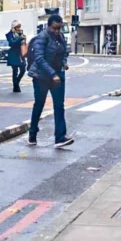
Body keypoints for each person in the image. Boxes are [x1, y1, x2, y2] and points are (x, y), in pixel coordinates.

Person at [27, 14, 74, 148]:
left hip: (57, 75)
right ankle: (32, 133)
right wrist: (52, 73)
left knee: (59, 105)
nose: (57, 31)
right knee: (39, 104)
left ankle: (60, 137)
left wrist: (64, 63)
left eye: (59, 28)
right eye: (54, 28)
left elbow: (64, 52)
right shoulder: (42, 38)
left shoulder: (61, 37)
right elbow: (39, 59)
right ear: (48, 26)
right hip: (41, 76)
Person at [5, 21, 27, 93]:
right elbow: (11, 43)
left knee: (23, 69)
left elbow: (22, 43)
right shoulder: (9, 34)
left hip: (20, 54)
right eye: (17, 27)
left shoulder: (20, 33)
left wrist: (24, 40)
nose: (19, 28)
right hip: (13, 54)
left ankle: (16, 83)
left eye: (19, 26)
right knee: (15, 71)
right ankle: (16, 87)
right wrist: (20, 38)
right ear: (13, 27)